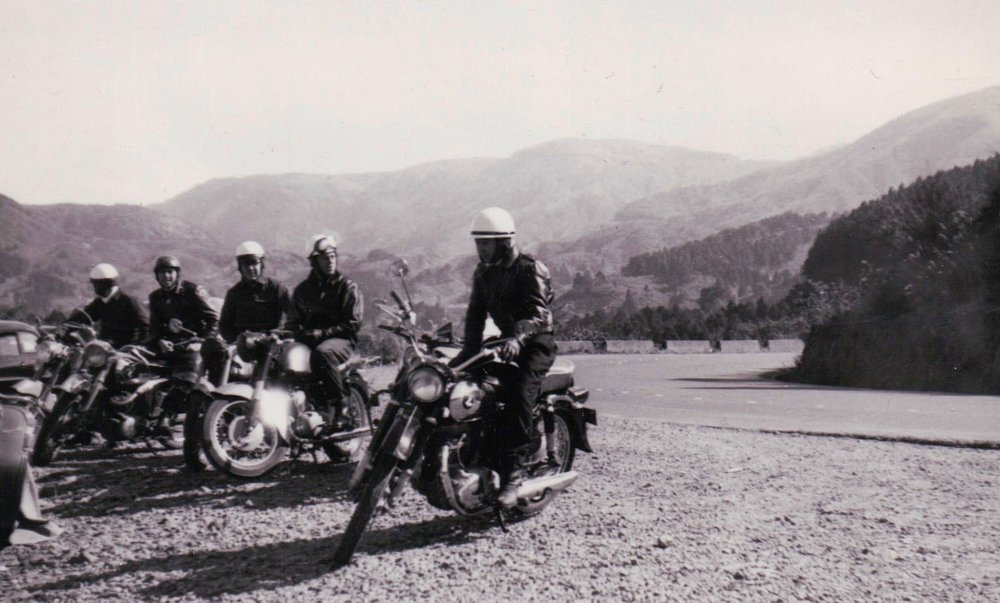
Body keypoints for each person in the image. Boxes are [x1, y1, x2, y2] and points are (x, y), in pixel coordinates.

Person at [451, 207, 558, 508]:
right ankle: (476, 455)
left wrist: (519, 339)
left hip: (536, 343)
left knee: (520, 393)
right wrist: (466, 355)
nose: (480, 249)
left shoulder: (530, 268)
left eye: (486, 242)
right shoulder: (483, 272)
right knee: (470, 386)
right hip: (505, 341)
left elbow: (538, 313)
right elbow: (475, 315)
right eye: (478, 242)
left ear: (504, 241)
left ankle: (515, 472)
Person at [286, 234, 363, 431]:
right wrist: (288, 334)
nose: (330, 261)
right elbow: (292, 321)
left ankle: (341, 407)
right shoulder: (302, 290)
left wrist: (321, 333)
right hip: (310, 340)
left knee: (323, 353)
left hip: (341, 340)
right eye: (324, 258)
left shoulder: (347, 286)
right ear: (314, 261)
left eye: (332, 256)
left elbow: (353, 323)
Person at [147, 255, 223, 436]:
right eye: (162, 273)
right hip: (171, 346)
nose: (166, 276)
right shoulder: (155, 297)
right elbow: (154, 327)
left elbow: (214, 319)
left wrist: (203, 341)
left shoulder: (192, 291)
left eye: (170, 272)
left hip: (194, 344)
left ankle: (166, 416)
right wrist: (160, 340)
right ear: (157, 276)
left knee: (189, 371)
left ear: (177, 273)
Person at [218, 241, 290, 381]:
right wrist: (238, 341)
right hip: (242, 350)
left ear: (261, 264)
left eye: (254, 263)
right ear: (240, 267)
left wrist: (277, 335)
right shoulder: (234, 293)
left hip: (271, 347)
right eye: (246, 264)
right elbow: (224, 325)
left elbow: (293, 318)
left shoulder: (276, 288)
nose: (251, 268)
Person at [70, 263, 148, 348]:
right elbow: (82, 318)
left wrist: (136, 346)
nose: (94, 287)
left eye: (95, 283)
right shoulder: (100, 302)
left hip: (125, 351)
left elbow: (146, 327)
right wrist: (64, 328)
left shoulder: (129, 300)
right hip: (104, 350)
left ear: (103, 284)